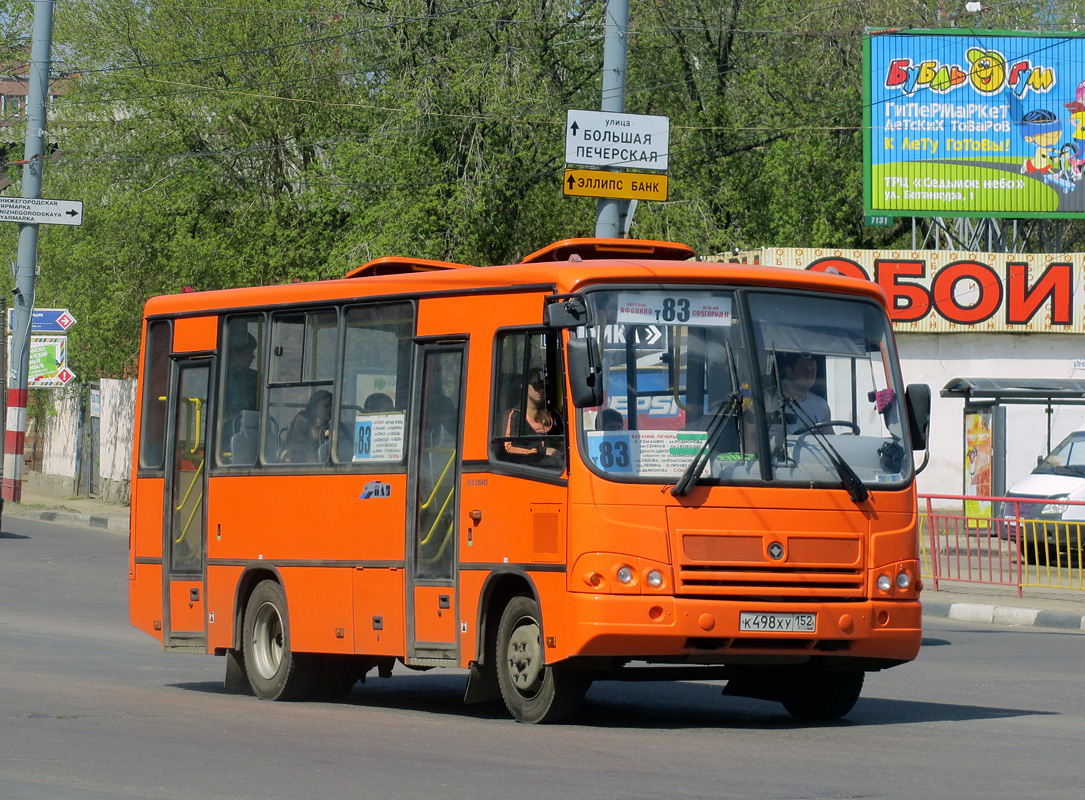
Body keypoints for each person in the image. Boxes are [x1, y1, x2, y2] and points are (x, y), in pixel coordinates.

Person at [503, 368, 564, 465]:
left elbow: (565, 441)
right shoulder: (514, 415)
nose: (541, 390)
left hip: (557, 468)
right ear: (523, 386)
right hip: (528, 469)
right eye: (537, 385)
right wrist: (543, 451)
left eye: (546, 387)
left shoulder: (555, 415)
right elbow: (509, 446)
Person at [774, 352, 832, 433]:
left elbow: (829, 439)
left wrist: (844, 439)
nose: (810, 374)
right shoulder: (769, 400)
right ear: (789, 372)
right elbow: (751, 437)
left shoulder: (821, 405)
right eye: (804, 370)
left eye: (813, 370)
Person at [281, 390, 333, 463]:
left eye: (332, 406)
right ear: (314, 408)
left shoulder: (333, 424)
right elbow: (297, 449)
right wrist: (323, 435)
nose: (330, 410)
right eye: (326, 406)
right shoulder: (302, 421)